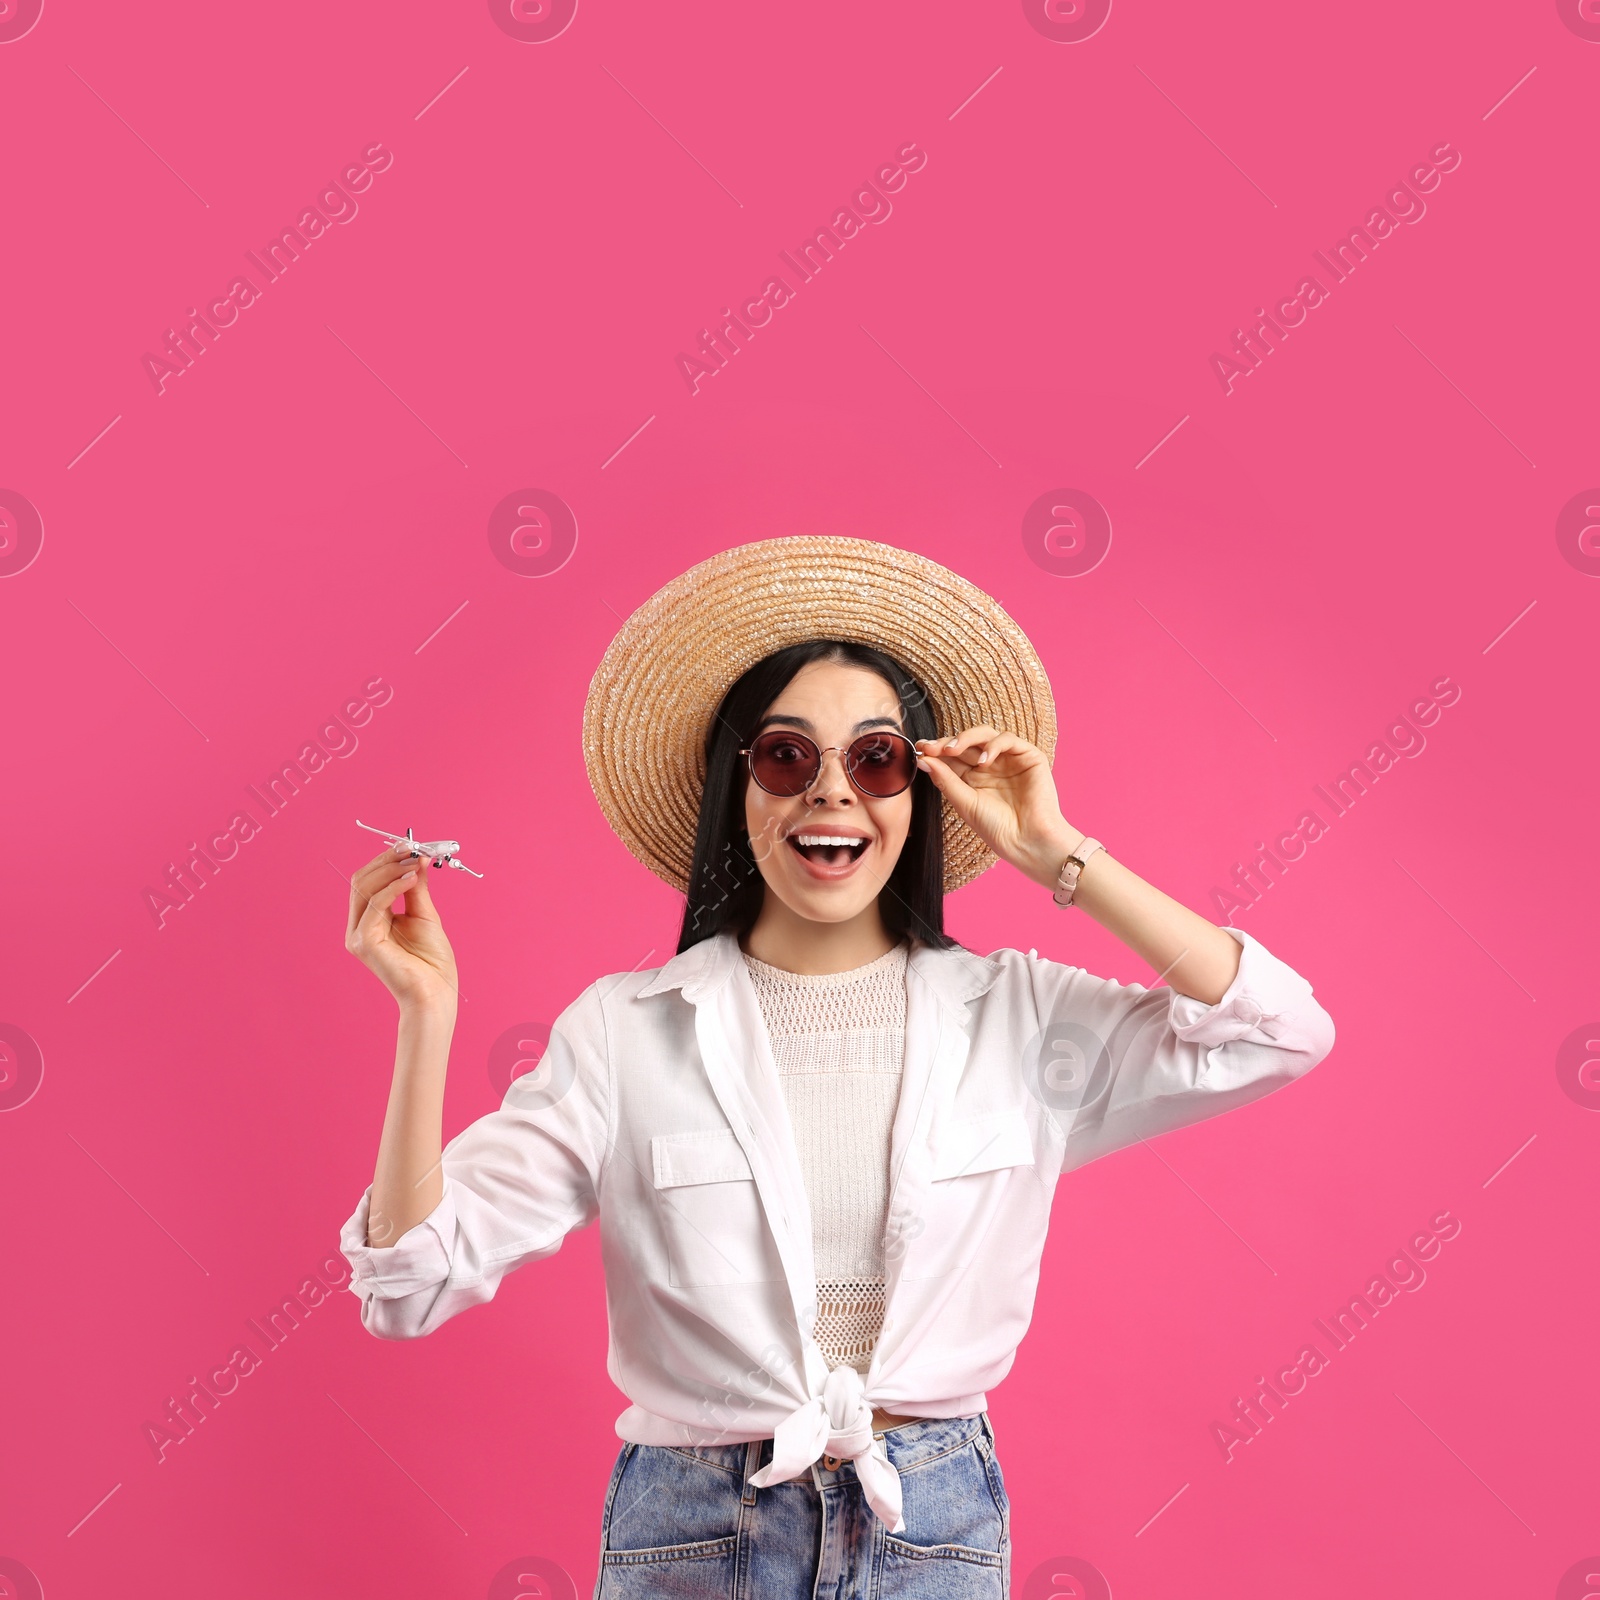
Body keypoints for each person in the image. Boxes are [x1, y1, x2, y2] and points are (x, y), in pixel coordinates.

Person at [338, 536, 1335, 1599]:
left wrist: (1061, 857)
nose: (831, 792)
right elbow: (409, 1282)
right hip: (694, 1529)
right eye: (784, 756)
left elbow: (1276, 1030)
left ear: (918, 791)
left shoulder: (1019, 1016)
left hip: (932, 1524)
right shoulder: (624, 1032)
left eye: (875, 758)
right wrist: (426, 1019)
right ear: (738, 788)